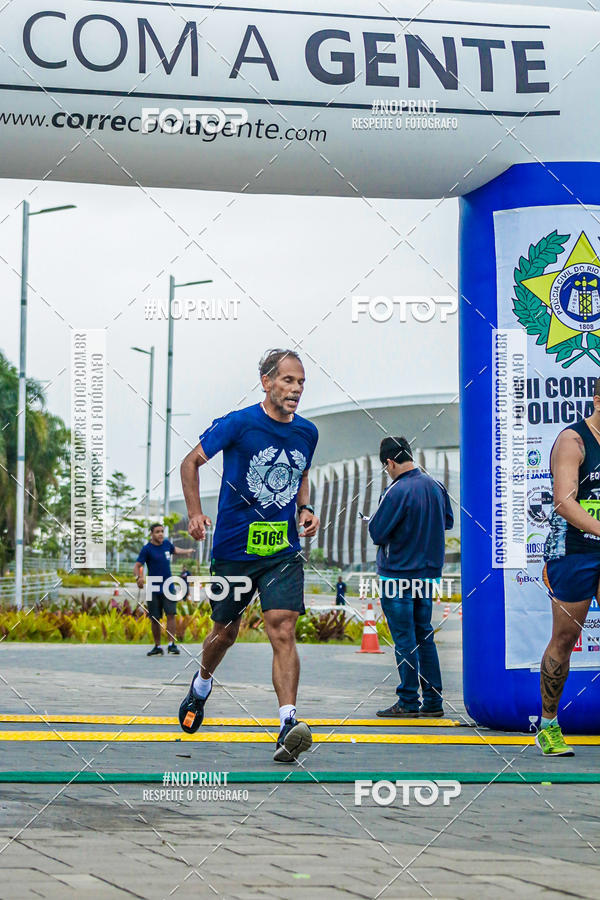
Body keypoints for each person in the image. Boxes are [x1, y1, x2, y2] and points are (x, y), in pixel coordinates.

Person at [178, 349, 320, 763]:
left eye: (300, 383)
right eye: (288, 381)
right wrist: (194, 513)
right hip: (234, 550)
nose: (295, 390)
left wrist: (304, 509)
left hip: (281, 549)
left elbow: (301, 473)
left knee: (282, 627)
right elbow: (191, 463)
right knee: (225, 633)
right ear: (267, 382)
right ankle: (201, 686)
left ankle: (287, 724)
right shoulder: (239, 424)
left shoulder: (307, 432)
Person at [368, 436, 453, 717]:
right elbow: (447, 521)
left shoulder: (395, 491)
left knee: (405, 639)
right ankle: (433, 702)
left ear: (390, 462)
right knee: (423, 635)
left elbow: (377, 533)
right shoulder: (436, 486)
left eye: (386, 466)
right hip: (427, 575)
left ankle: (407, 701)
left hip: (397, 576)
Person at [539, 385, 600, 756]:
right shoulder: (573, 441)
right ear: (597, 401)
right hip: (574, 550)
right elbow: (564, 501)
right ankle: (548, 724)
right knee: (564, 640)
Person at [134, 523, 195, 656]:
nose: (160, 534)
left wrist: (187, 551)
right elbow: (138, 564)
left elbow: (175, 550)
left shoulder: (167, 544)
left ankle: (171, 645)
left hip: (168, 587)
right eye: (157, 532)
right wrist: (139, 577)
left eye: (162, 531)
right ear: (151, 534)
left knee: (171, 615)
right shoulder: (147, 549)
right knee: (155, 618)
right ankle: (157, 646)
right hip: (153, 588)